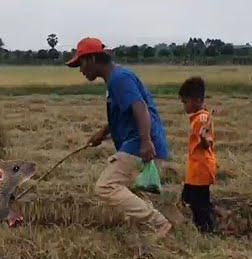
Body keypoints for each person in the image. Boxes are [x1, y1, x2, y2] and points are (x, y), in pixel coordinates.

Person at [66, 37, 172, 236]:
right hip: (139, 141)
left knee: (106, 186)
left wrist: (146, 141)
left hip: (138, 143)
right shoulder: (116, 78)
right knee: (130, 190)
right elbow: (126, 112)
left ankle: (159, 223)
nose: (81, 70)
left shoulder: (119, 79)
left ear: (92, 59)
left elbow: (140, 108)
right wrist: (102, 134)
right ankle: (148, 229)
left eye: (80, 64)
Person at [178, 77, 220, 233]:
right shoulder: (198, 118)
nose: (184, 106)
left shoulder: (202, 119)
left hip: (201, 169)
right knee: (187, 199)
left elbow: (206, 142)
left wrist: (204, 139)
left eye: (185, 102)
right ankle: (215, 214)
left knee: (198, 205)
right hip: (195, 169)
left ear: (196, 100)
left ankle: (207, 230)